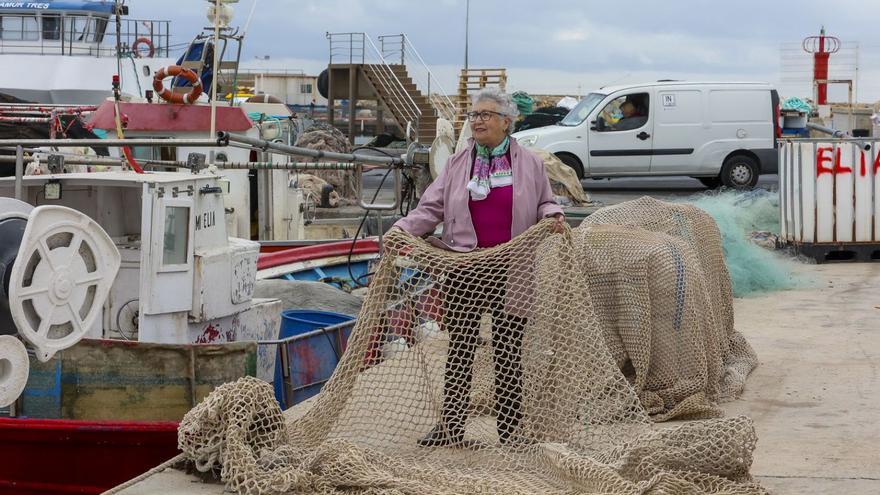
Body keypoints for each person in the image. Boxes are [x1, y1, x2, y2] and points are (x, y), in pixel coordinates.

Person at [392, 88, 565, 447]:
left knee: (507, 351)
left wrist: (554, 216)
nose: (478, 121)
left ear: (507, 122)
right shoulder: (458, 163)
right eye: (474, 115)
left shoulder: (530, 163)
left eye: (486, 114)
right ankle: (452, 427)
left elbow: (546, 202)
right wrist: (402, 229)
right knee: (461, 347)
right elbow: (431, 208)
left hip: (512, 266)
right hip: (464, 266)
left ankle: (511, 431)